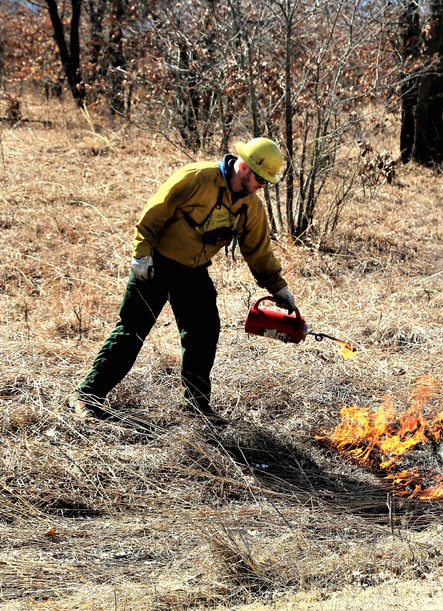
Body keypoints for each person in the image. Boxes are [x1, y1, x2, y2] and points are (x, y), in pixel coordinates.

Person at [69, 137, 296, 421]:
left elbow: (259, 252)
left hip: (193, 270)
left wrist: (279, 288)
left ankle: (195, 407)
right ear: (244, 167)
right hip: (156, 263)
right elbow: (154, 213)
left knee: (204, 331)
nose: (262, 186)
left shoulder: (251, 208)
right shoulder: (197, 178)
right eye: (260, 179)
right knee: (132, 331)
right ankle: (87, 396)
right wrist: (141, 255)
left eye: (266, 182)